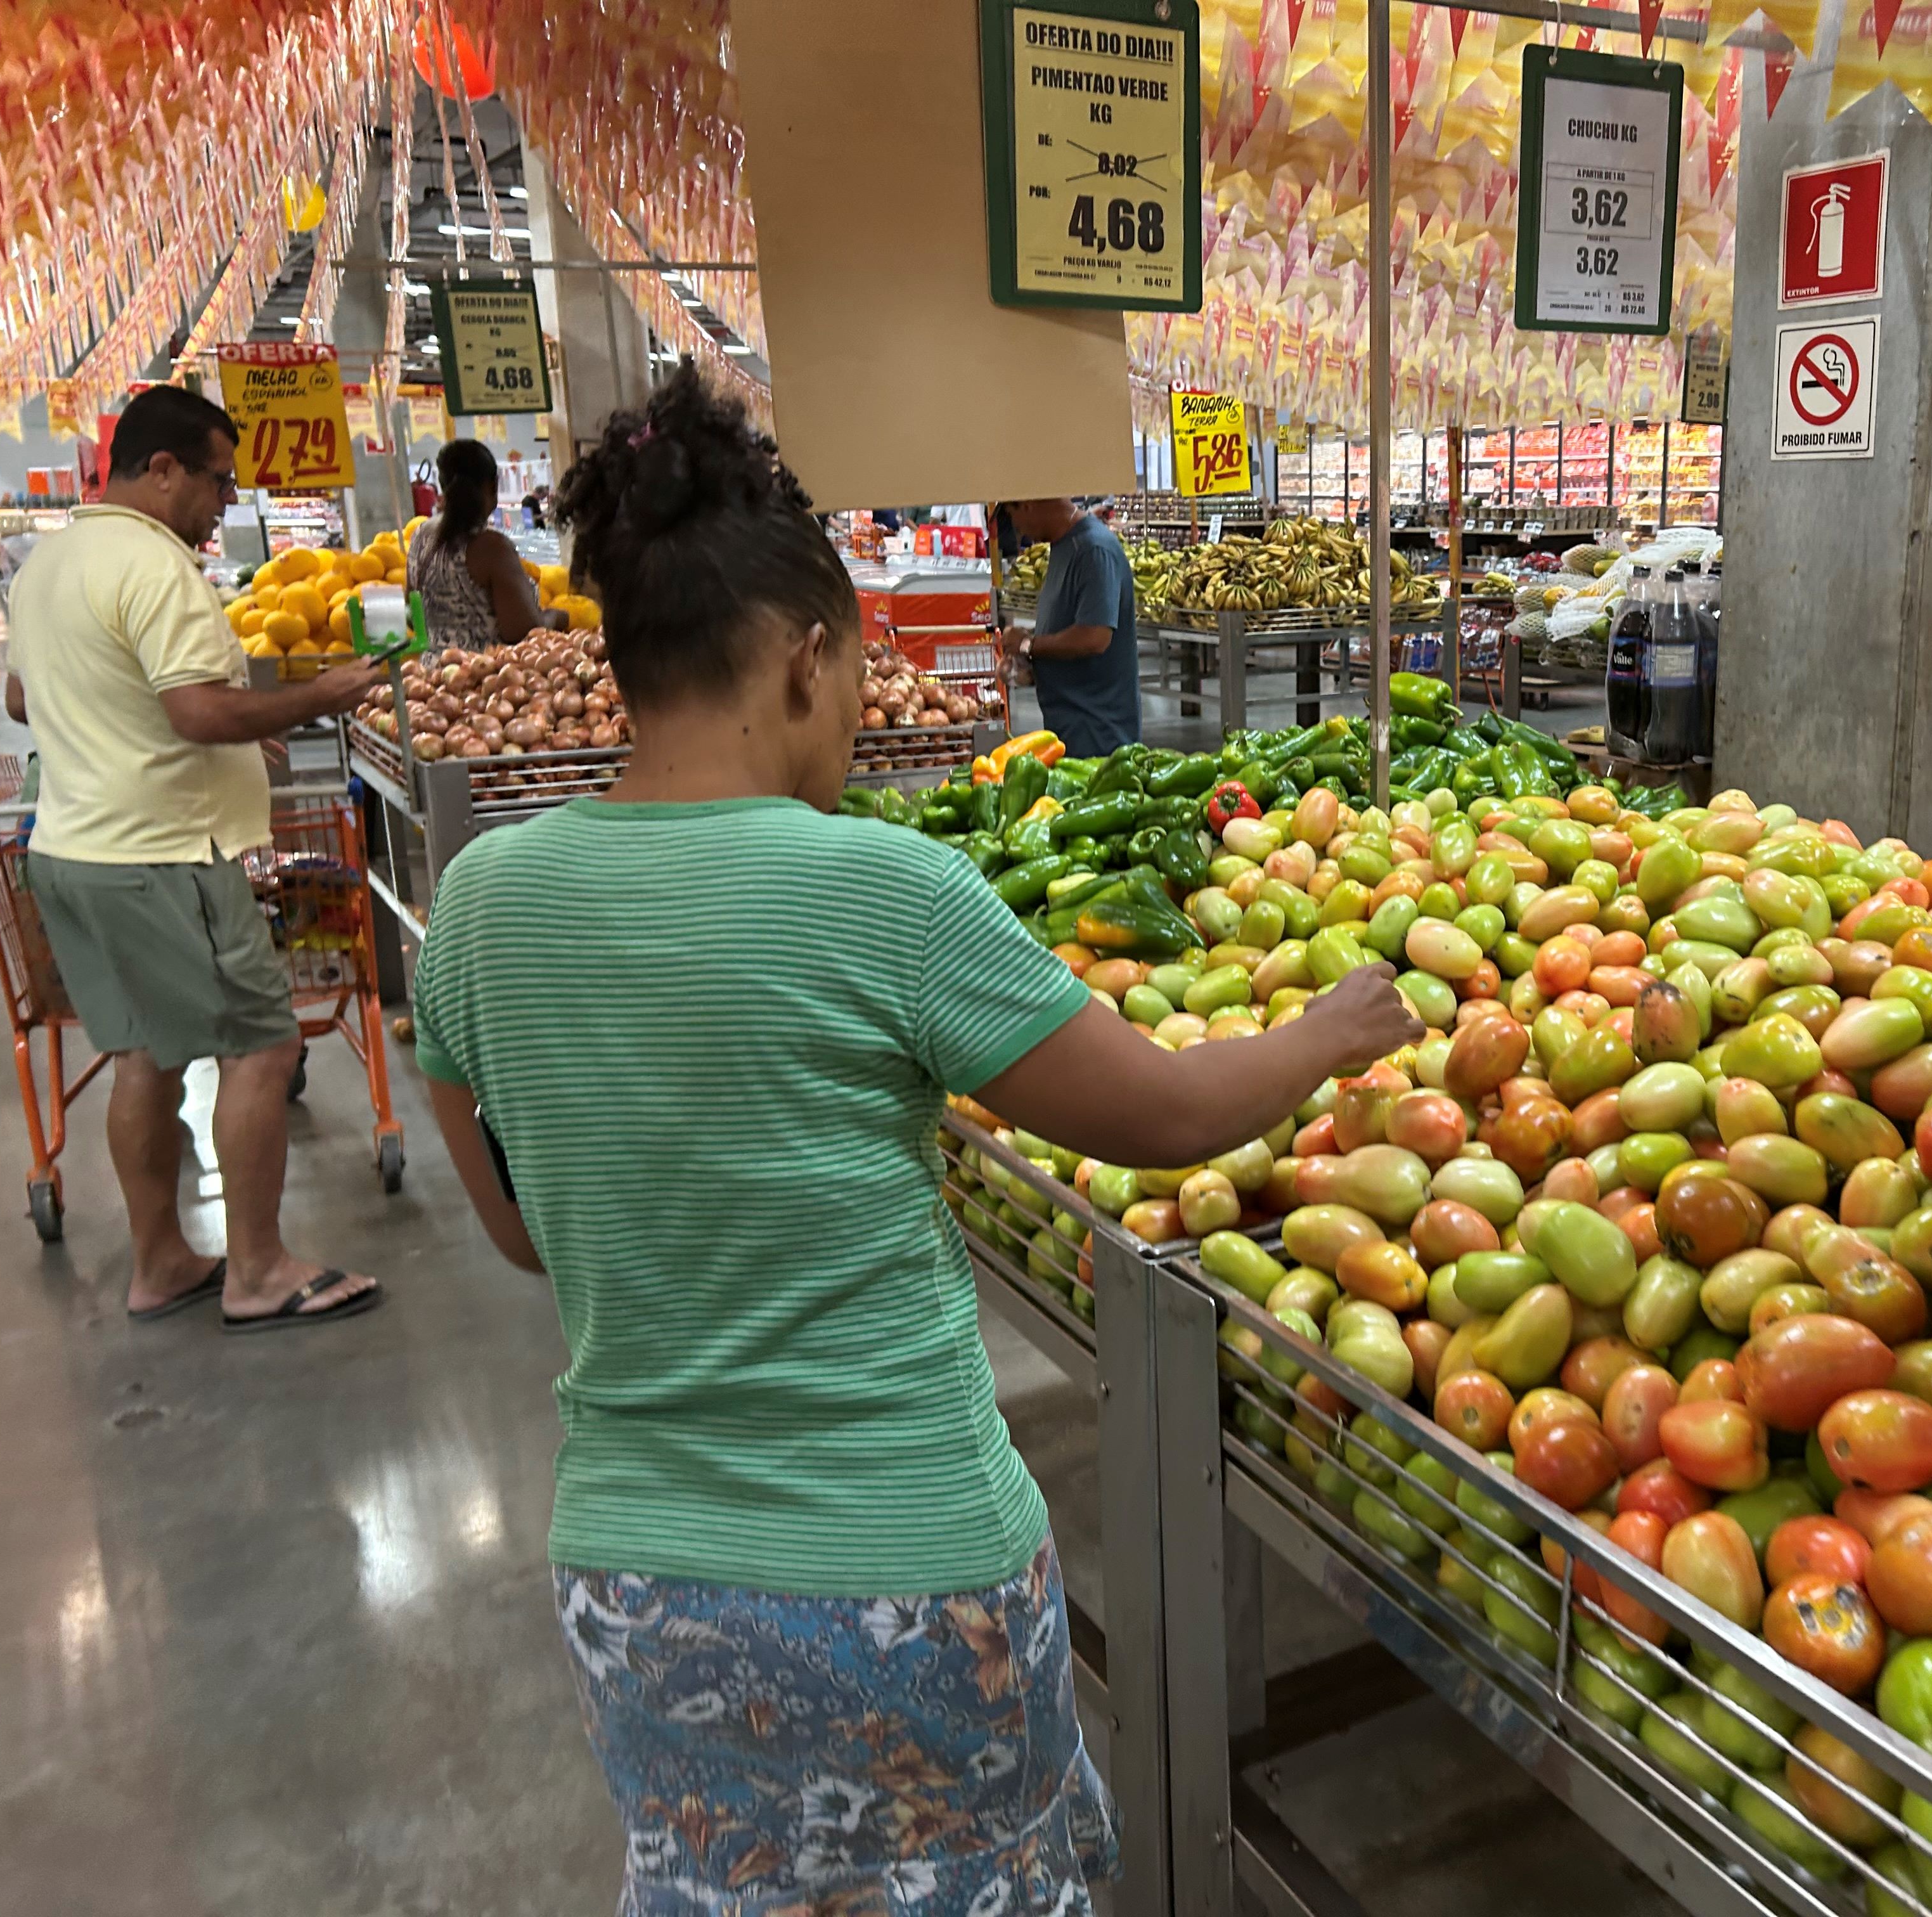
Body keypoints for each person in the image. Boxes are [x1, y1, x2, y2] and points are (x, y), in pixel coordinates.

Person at [411, 366, 1418, 1915]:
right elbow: (1161, 1119)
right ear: (809, 659)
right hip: (902, 1574)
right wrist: (1332, 1031)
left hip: (638, 1582)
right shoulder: (882, 895)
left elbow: (522, 1232)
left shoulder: (480, 901)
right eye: (862, 678)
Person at [6, 384, 384, 1328]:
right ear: (162, 468)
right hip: (163, 858)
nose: (223, 505)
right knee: (261, 1047)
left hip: (72, 853)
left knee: (144, 1059)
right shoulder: (157, 567)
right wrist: (320, 695)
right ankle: (257, 1270)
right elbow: (196, 710)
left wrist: (177, 735)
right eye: (216, 481)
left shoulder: (50, 565)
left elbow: (26, 702)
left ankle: (161, 1263)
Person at [1000, 496, 1141, 758]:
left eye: (1013, 516)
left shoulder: (1093, 550)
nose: (1018, 528)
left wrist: (1029, 645)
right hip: (1070, 724)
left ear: (1027, 505)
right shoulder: (1064, 546)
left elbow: (1094, 637)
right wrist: (1031, 660)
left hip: (1098, 733)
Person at [407, 438, 564, 650]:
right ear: (493, 486)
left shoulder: (421, 534)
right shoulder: (493, 548)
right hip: (486, 676)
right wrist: (556, 617)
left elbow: (412, 614)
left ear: (443, 486)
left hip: (431, 676)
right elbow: (522, 632)